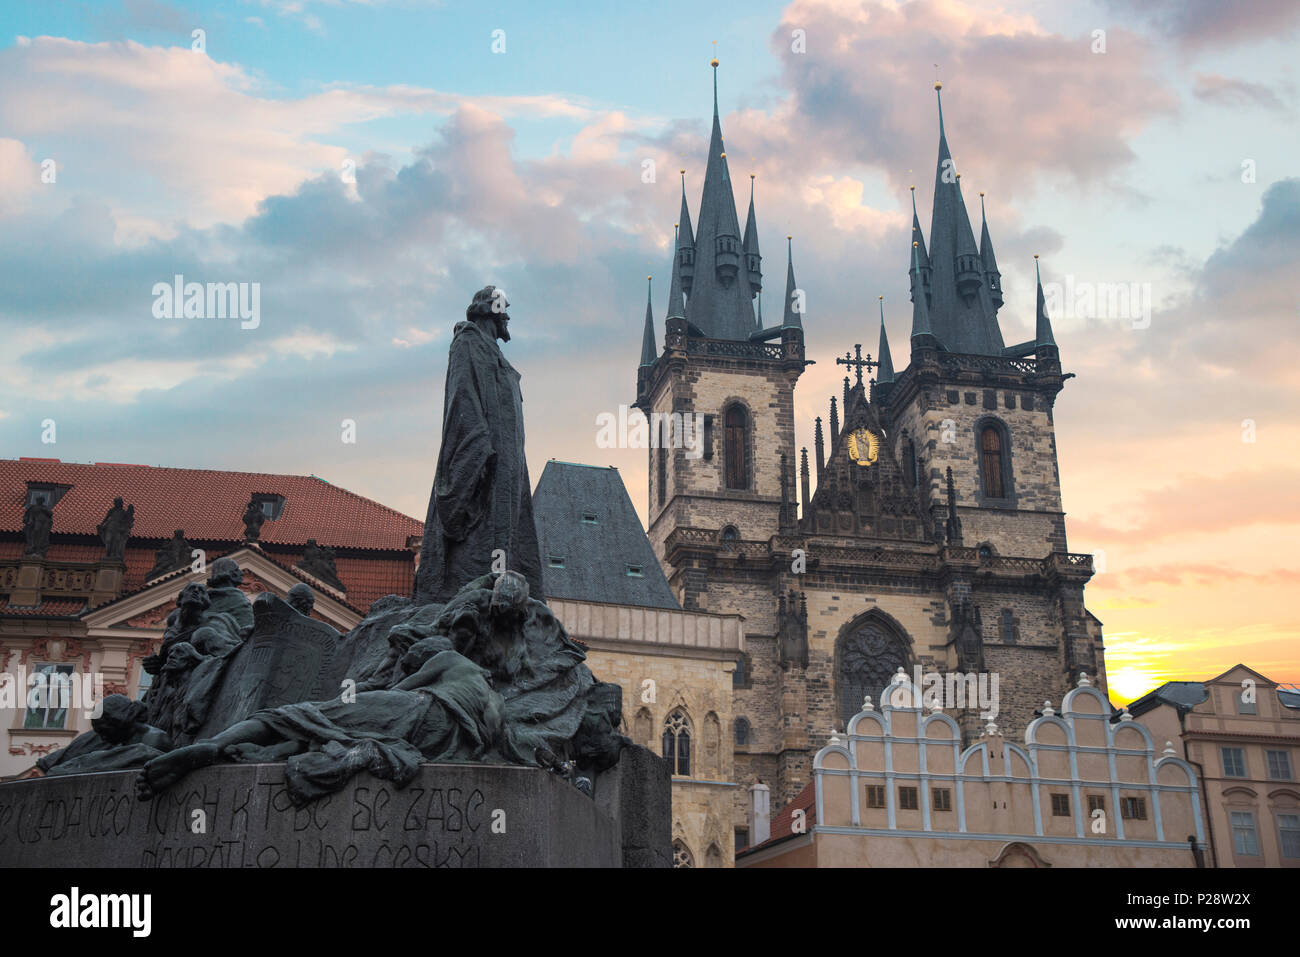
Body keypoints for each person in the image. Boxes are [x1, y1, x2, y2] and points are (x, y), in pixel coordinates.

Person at [412, 286, 543, 604]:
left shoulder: (495, 352)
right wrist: (479, 449)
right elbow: (463, 400)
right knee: (481, 538)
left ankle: (501, 595)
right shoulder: (468, 343)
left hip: (510, 466)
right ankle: (471, 600)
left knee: (507, 538)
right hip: (486, 455)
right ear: (489, 311)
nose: (508, 315)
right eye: (504, 308)